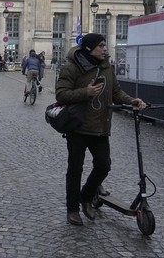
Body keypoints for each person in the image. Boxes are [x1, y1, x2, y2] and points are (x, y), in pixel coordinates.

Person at [55, 33, 147, 227]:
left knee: (104, 166)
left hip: (100, 127)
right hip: (78, 127)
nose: (105, 49)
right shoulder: (72, 68)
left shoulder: (106, 68)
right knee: (75, 169)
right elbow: (61, 95)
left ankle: (86, 196)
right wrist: (85, 92)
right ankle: (72, 209)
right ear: (89, 48)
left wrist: (132, 101)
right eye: (101, 46)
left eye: (105, 45)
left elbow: (116, 92)